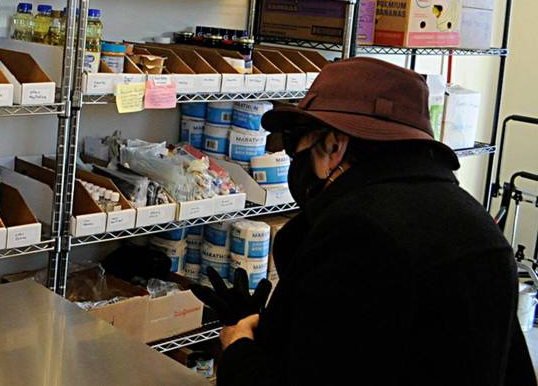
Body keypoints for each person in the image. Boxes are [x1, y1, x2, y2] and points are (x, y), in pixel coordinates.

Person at [197, 57, 535, 386]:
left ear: (333, 145)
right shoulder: (480, 227)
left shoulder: (356, 234)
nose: (294, 159)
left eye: (294, 144)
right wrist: (276, 326)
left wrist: (239, 350)